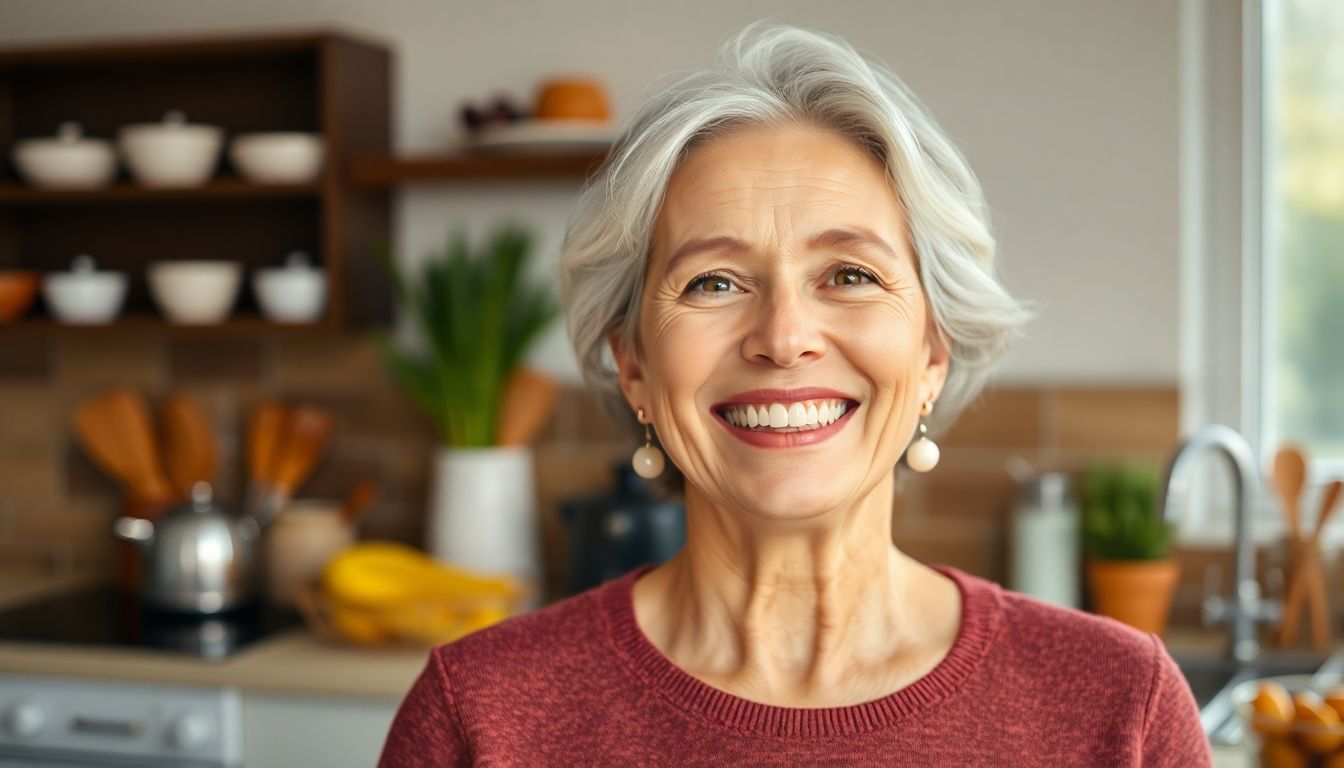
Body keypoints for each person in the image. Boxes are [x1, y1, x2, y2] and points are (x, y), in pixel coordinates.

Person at [379, 21, 1211, 766]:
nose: (782, 337)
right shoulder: (478, 714)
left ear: (931, 351)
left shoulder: (1119, 707)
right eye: (712, 283)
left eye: (850, 275)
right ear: (631, 362)